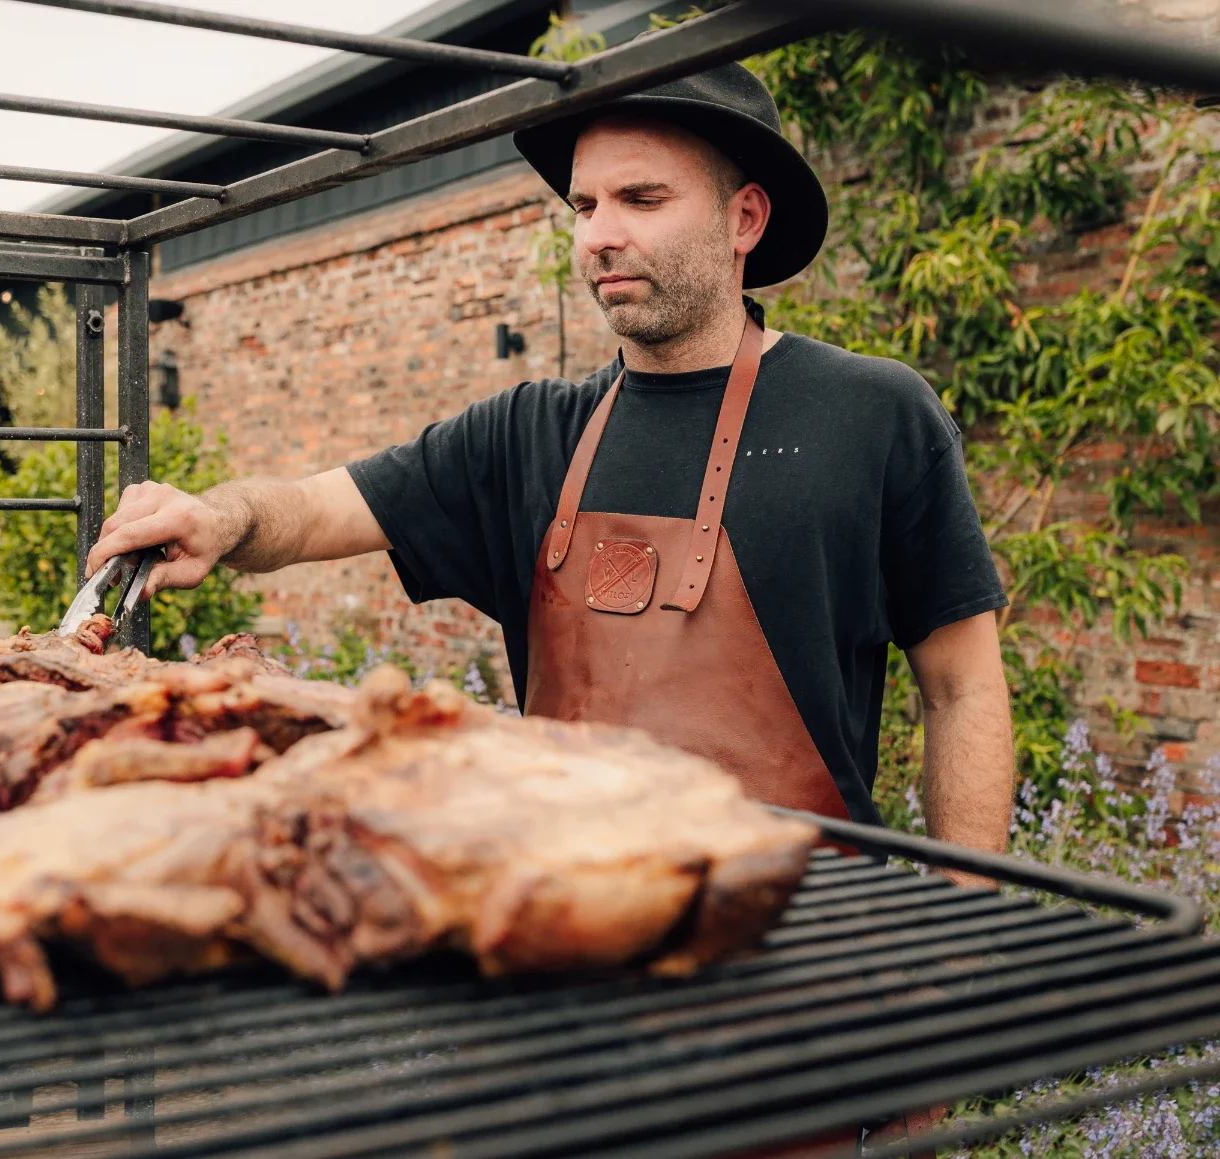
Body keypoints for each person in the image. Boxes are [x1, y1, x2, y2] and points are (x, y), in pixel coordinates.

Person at [87, 64, 1015, 876]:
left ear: (745, 218)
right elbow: (320, 508)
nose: (599, 235)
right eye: (584, 206)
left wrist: (962, 942)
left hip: (814, 956)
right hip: (575, 940)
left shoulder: (873, 413)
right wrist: (218, 517)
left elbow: (963, 685)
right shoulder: (527, 434)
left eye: (641, 200)